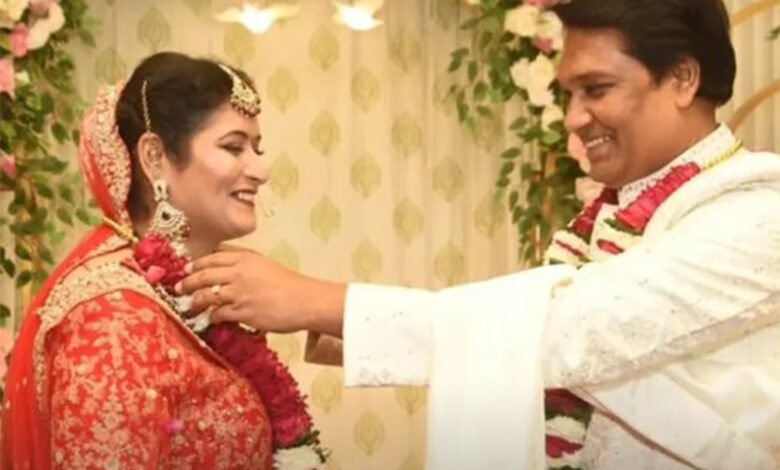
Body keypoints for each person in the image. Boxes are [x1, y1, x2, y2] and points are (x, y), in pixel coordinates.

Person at [181, 0, 780, 468]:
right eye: (569, 94)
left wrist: (320, 301)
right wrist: (339, 325)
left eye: (596, 89)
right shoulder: (611, 214)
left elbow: (575, 331)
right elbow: (538, 336)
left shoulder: (757, 209)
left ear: (682, 78)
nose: (574, 117)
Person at [2, 52, 326, 470]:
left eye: (257, 148)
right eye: (234, 147)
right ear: (155, 157)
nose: (261, 170)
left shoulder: (182, 295)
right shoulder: (111, 318)